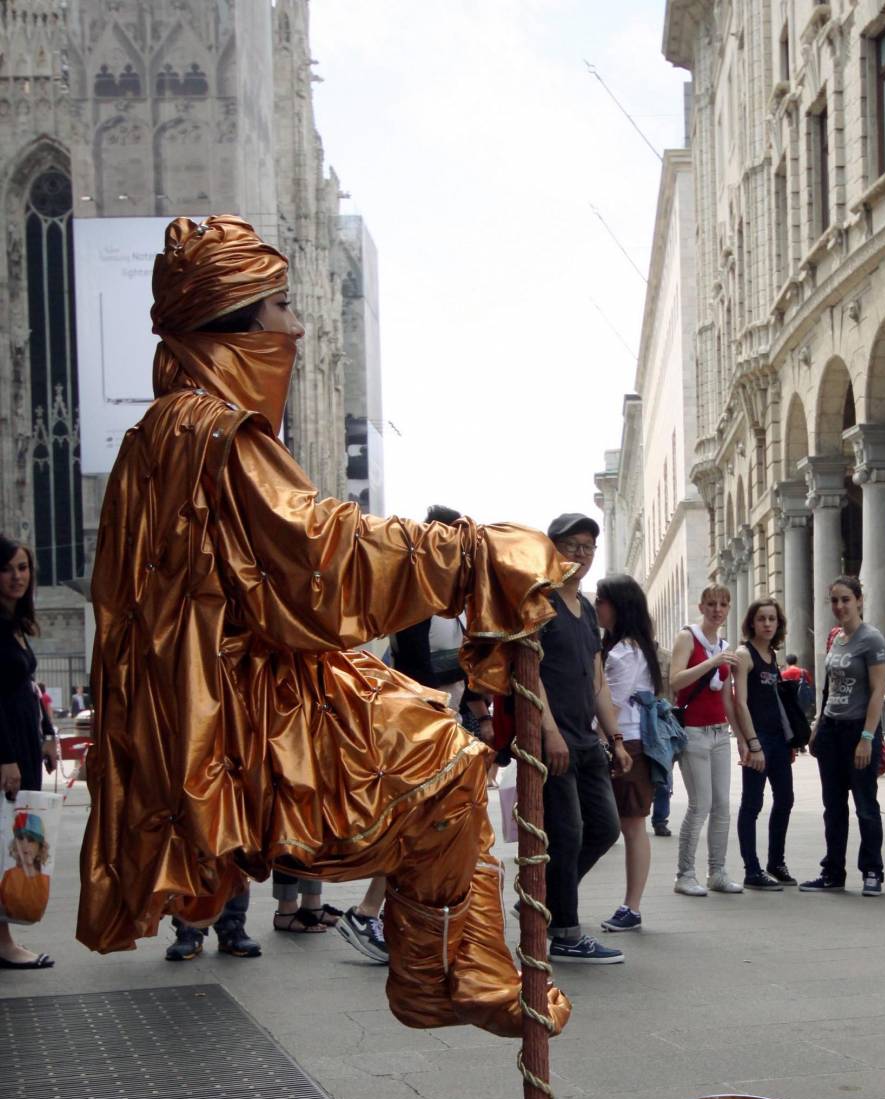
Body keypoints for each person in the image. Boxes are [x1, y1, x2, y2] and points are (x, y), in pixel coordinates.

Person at [78, 214, 571, 1041]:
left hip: (226, 699)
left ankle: (450, 968)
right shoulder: (213, 434)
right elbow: (324, 559)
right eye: (278, 308)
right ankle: (436, 973)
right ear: (236, 324)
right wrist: (471, 557)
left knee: (442, 761)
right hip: (245, 715)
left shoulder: (157, 435)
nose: (298, 328)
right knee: (440, 763)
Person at [537, 514, 627, 963]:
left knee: (606, 828)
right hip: (553, 741)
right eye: (571, 546)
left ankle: (548, 902)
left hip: (588, 740)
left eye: (588, 547)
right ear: (553, 548)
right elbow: (528, 676)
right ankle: (565, 933)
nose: (580, 555)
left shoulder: (587, 609)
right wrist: (549, 732)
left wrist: (615, 736)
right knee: (566, 834)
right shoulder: (539, 602)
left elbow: (598, 681)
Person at [801, 576, 885, 896]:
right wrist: (818, 726)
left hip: (857, 731)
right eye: (834, 600)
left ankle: (872, 871)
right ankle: (833, 872)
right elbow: (830, 687)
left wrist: (867, 737)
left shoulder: (872, 639)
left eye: (846, 599)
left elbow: (878, 690)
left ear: (859, 600)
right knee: (833, 807)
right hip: (832, 730)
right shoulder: (835, 638)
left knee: (865, 804)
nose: (839, 606)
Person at [0, 535, 57, 968]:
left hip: (24, 744)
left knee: (14, 840)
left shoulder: (14, 622)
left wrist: (49, 734)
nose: (17, 576)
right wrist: (5, 757)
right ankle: (3, 943)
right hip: (7, 751)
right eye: (7, 568)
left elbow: (29, 688)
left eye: (23, 568)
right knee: (6, 843)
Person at [595, 574, 662, 932]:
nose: (596, 609)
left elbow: (611, 707)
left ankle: (632, 907)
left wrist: (602, 742)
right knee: (629, 825)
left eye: (601, 602)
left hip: (625, 744)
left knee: (632, 826)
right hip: (629, 743)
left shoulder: (624, 652)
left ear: (617, 606)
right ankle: (630, 906)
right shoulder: (634, 647)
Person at [668, 585, 741, 897]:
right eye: (712, 604)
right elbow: (675, 681)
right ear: (701, 605)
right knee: (700, 805)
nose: (717, 610)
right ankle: (685, 874)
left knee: (722, 806)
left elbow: (727, 698)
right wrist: (711, 663)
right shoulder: (688, 637)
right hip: (693, 732)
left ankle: (718, 871)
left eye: (723, 604)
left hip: (718, 732)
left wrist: (742, 738)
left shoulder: (724, 645)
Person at [731, 598, 797, 890]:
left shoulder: (772, 655)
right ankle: (752, 870)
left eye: (772, 619)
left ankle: (776, 862)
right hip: (759, 740)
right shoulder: (744, 655)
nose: (767, 624)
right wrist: (752, 744)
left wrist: (790, 739)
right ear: (752, 623)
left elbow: (777, 703)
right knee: (752, 804)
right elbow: (740, 703)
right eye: (762, 619)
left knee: (785, 799)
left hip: (779, 740)